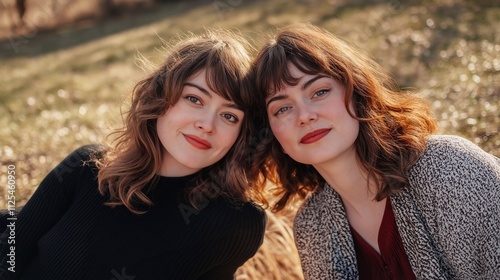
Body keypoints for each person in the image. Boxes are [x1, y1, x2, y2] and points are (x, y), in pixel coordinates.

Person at [0, 29, 266, 280]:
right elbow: (9, 253)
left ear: (241, 135)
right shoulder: (87, 169)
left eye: (229, 116)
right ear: (159, 99)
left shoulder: (238, 224)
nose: (207, 125)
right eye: (194, 99)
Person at [249, 23, 500, 280]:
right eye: (282, 109)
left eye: (320, 91)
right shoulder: (312, 225)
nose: (305, 116)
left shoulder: (450, 170)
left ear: (356, 92)